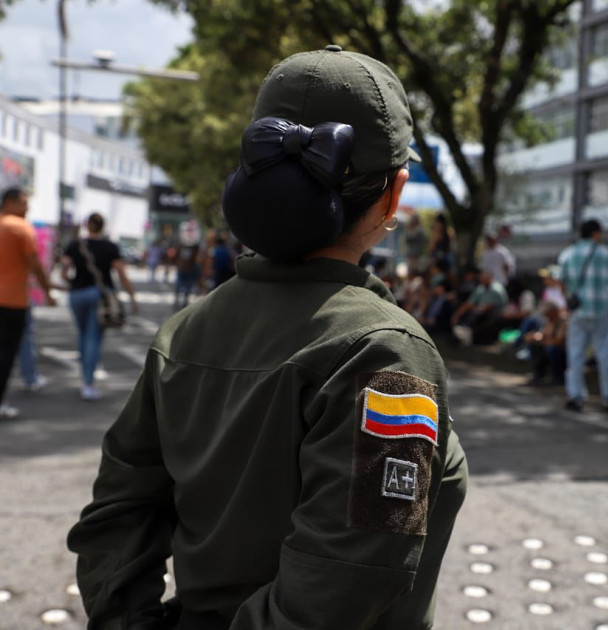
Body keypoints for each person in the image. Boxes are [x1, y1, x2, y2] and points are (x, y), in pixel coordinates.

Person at [67, 46, 468, 629]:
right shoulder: (382, 348)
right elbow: (346, 580)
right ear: (393, 194)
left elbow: (115, 516)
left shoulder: (184, 331)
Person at [60, 213, 138, 401]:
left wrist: (72, 281)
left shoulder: (74, 245)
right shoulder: (110, 247)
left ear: (88, 226)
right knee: (93, 338)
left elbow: (64, 271)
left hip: (77, 294)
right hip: (100, 296)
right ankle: (88, 383)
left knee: (83, 333)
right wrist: (132, 296)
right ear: (103, 227)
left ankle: (85, 371)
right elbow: (121, 274)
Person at [0, 188, 56, 419]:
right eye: (23, 203)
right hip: (12, 302)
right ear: (9, 202)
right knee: (5, 355)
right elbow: (34, 264)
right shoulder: (21, 228)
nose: (27, 208)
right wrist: (48, 292)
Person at [558, 219, 608, 413]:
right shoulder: (604, 253)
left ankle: (575, 396)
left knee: (576, 355)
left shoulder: (569, 253)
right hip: (601, 310)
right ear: (596, 233)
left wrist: (569, 300)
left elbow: (562, 281)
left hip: (578, 311)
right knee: (605, 353)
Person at [450, 269, 508, 345]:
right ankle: (462, 332)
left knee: (475, 313)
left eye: (484, 279)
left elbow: (489, 307)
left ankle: (465, 331)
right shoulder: (481, 288)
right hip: (479, 310)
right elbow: (469, 303)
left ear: (489, 278)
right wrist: (457, 315)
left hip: (494, 313)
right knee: (466, 311)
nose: (482, 281)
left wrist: (474, 308)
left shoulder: (496, 289)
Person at [523, 301, 567, 386]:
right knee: (534, 346)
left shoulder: (563, 322)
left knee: (550, 349)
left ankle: (558, 377)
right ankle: (538, 375)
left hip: (562, 352)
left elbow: (559, 341)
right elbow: (541, 334)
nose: (546, 316)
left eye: (547, 313)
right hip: (550, 346)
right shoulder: (549, 322)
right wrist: (533, 337)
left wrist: (544, 341)